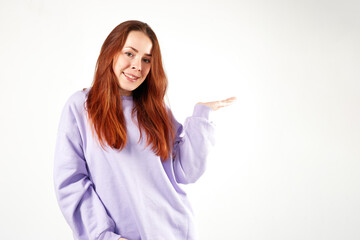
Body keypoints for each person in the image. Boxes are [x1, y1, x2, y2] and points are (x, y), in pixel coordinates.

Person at [54, 20, 235, 240]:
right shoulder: (81, 107)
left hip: (173, 232)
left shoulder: (156, 109)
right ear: (110, 52)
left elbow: (185, 171)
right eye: (129, 54)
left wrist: (202, 115)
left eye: (146, 59)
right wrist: (104, 235)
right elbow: (71, 182)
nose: (138, 66)